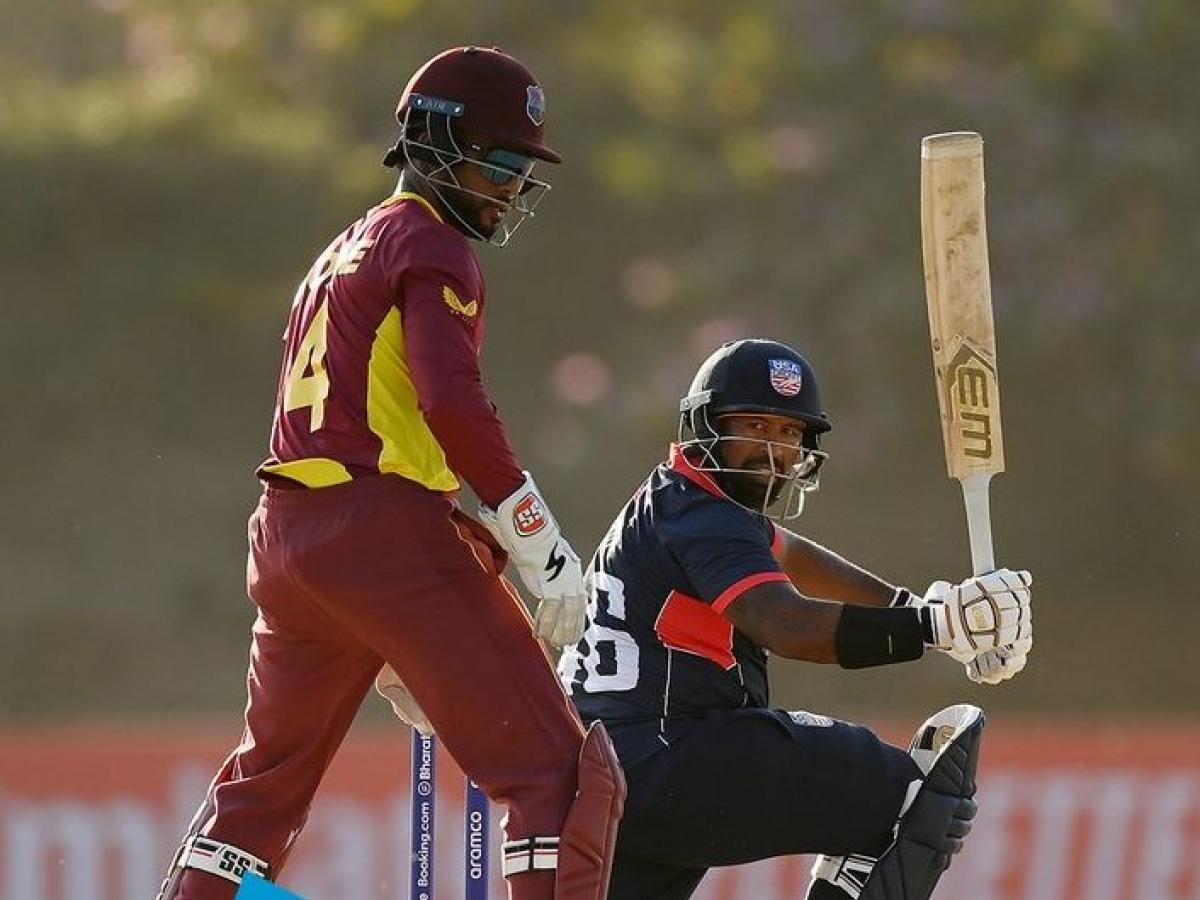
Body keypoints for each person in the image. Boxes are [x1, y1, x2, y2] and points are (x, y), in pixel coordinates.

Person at [157, 46, 624, 900]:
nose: (515, 187)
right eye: (504, 163)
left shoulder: (341, 249)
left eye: (524, 169)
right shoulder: (437, 247)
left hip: (292, 544)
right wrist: (536, 539)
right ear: (437, 144)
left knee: (258, 799)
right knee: (562, 779)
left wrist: (382, 634)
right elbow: (453, 401)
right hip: (384, 539)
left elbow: (349, 425)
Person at [554, 338, 1034, 900]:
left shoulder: (681, 500)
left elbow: (794, 557)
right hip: (668, 756)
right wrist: (933, 629)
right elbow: (786, 626)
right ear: (704, 425)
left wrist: (913, 607)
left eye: (788, 432)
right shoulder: (704, 515)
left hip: (608, 780)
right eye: (753, 424)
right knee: (908, 797)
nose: (773, 448)